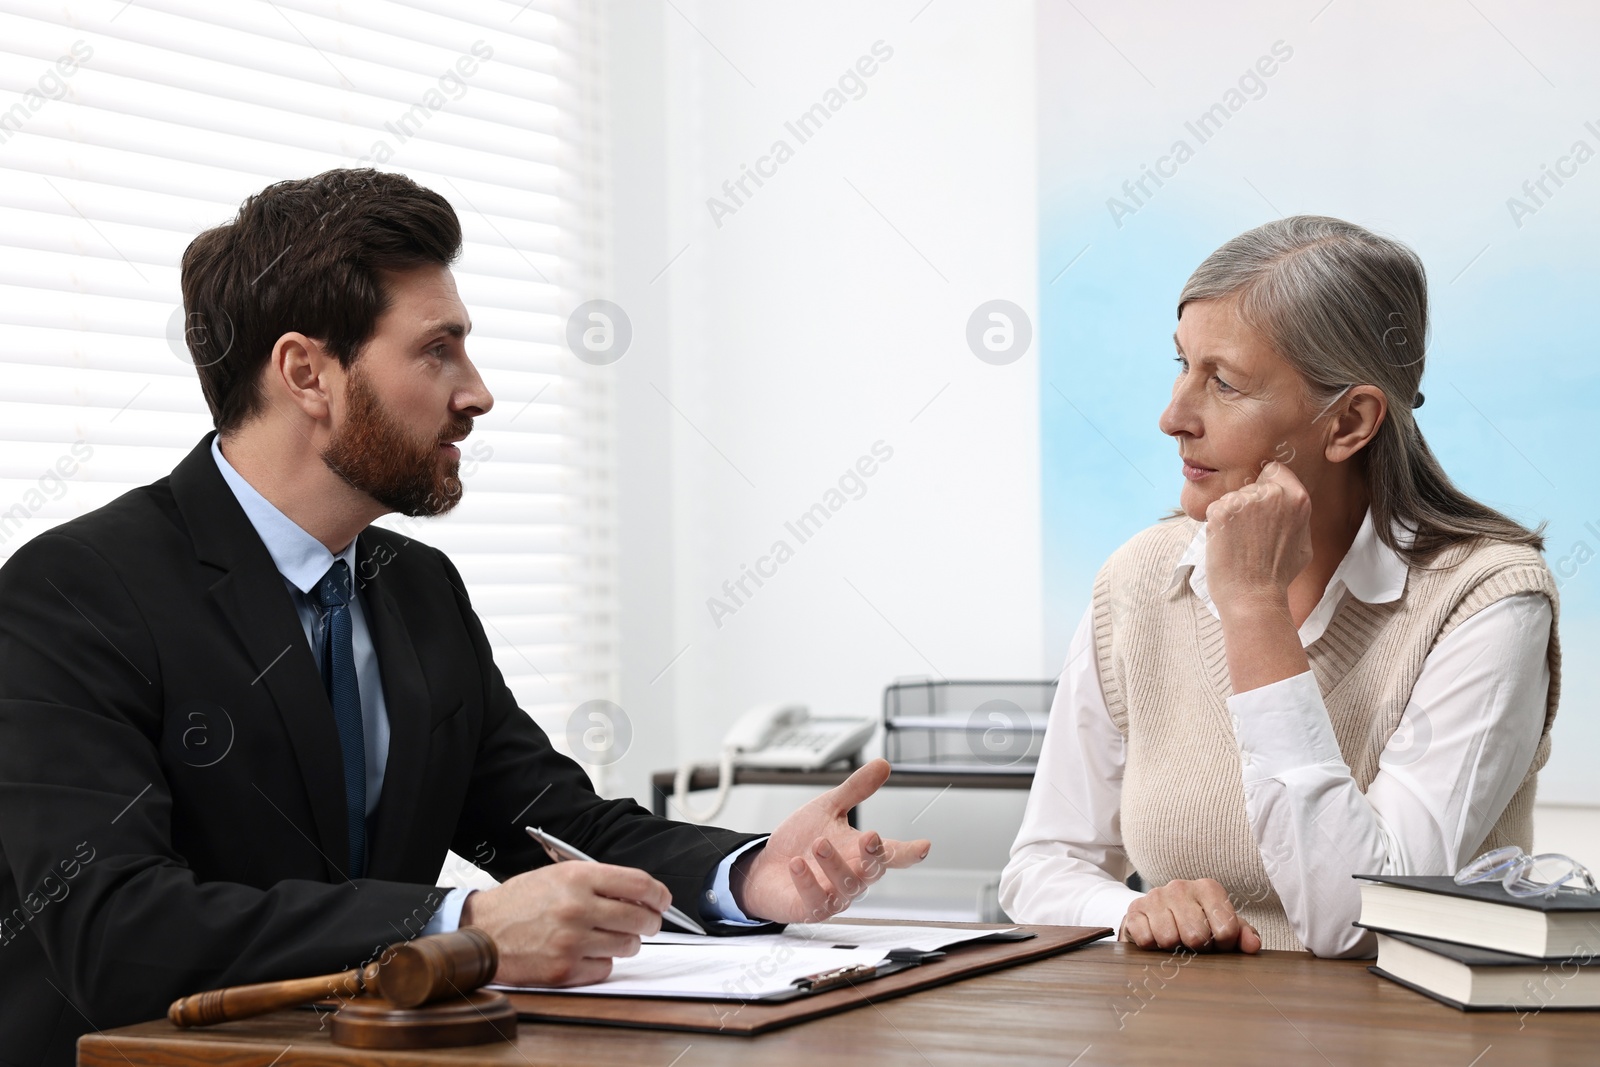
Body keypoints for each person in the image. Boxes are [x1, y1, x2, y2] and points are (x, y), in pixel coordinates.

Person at [0, 169, 929, 1065]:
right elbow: (112, 928)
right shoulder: (75, 592)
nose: (476, 390)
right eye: (436, 349)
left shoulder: (416, 588)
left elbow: (555, 824)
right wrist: (464, 926)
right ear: (306, 373)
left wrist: (752, 872)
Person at [999, 216, 1559, 958]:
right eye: (1181, 365)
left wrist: (1255, 609)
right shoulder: (1137, 581)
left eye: (1223, 382)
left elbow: (1364, 919)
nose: (1173, 416)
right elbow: (1041, 865)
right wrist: (1130, 910)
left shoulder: (1487, 602)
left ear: (1350, 421)